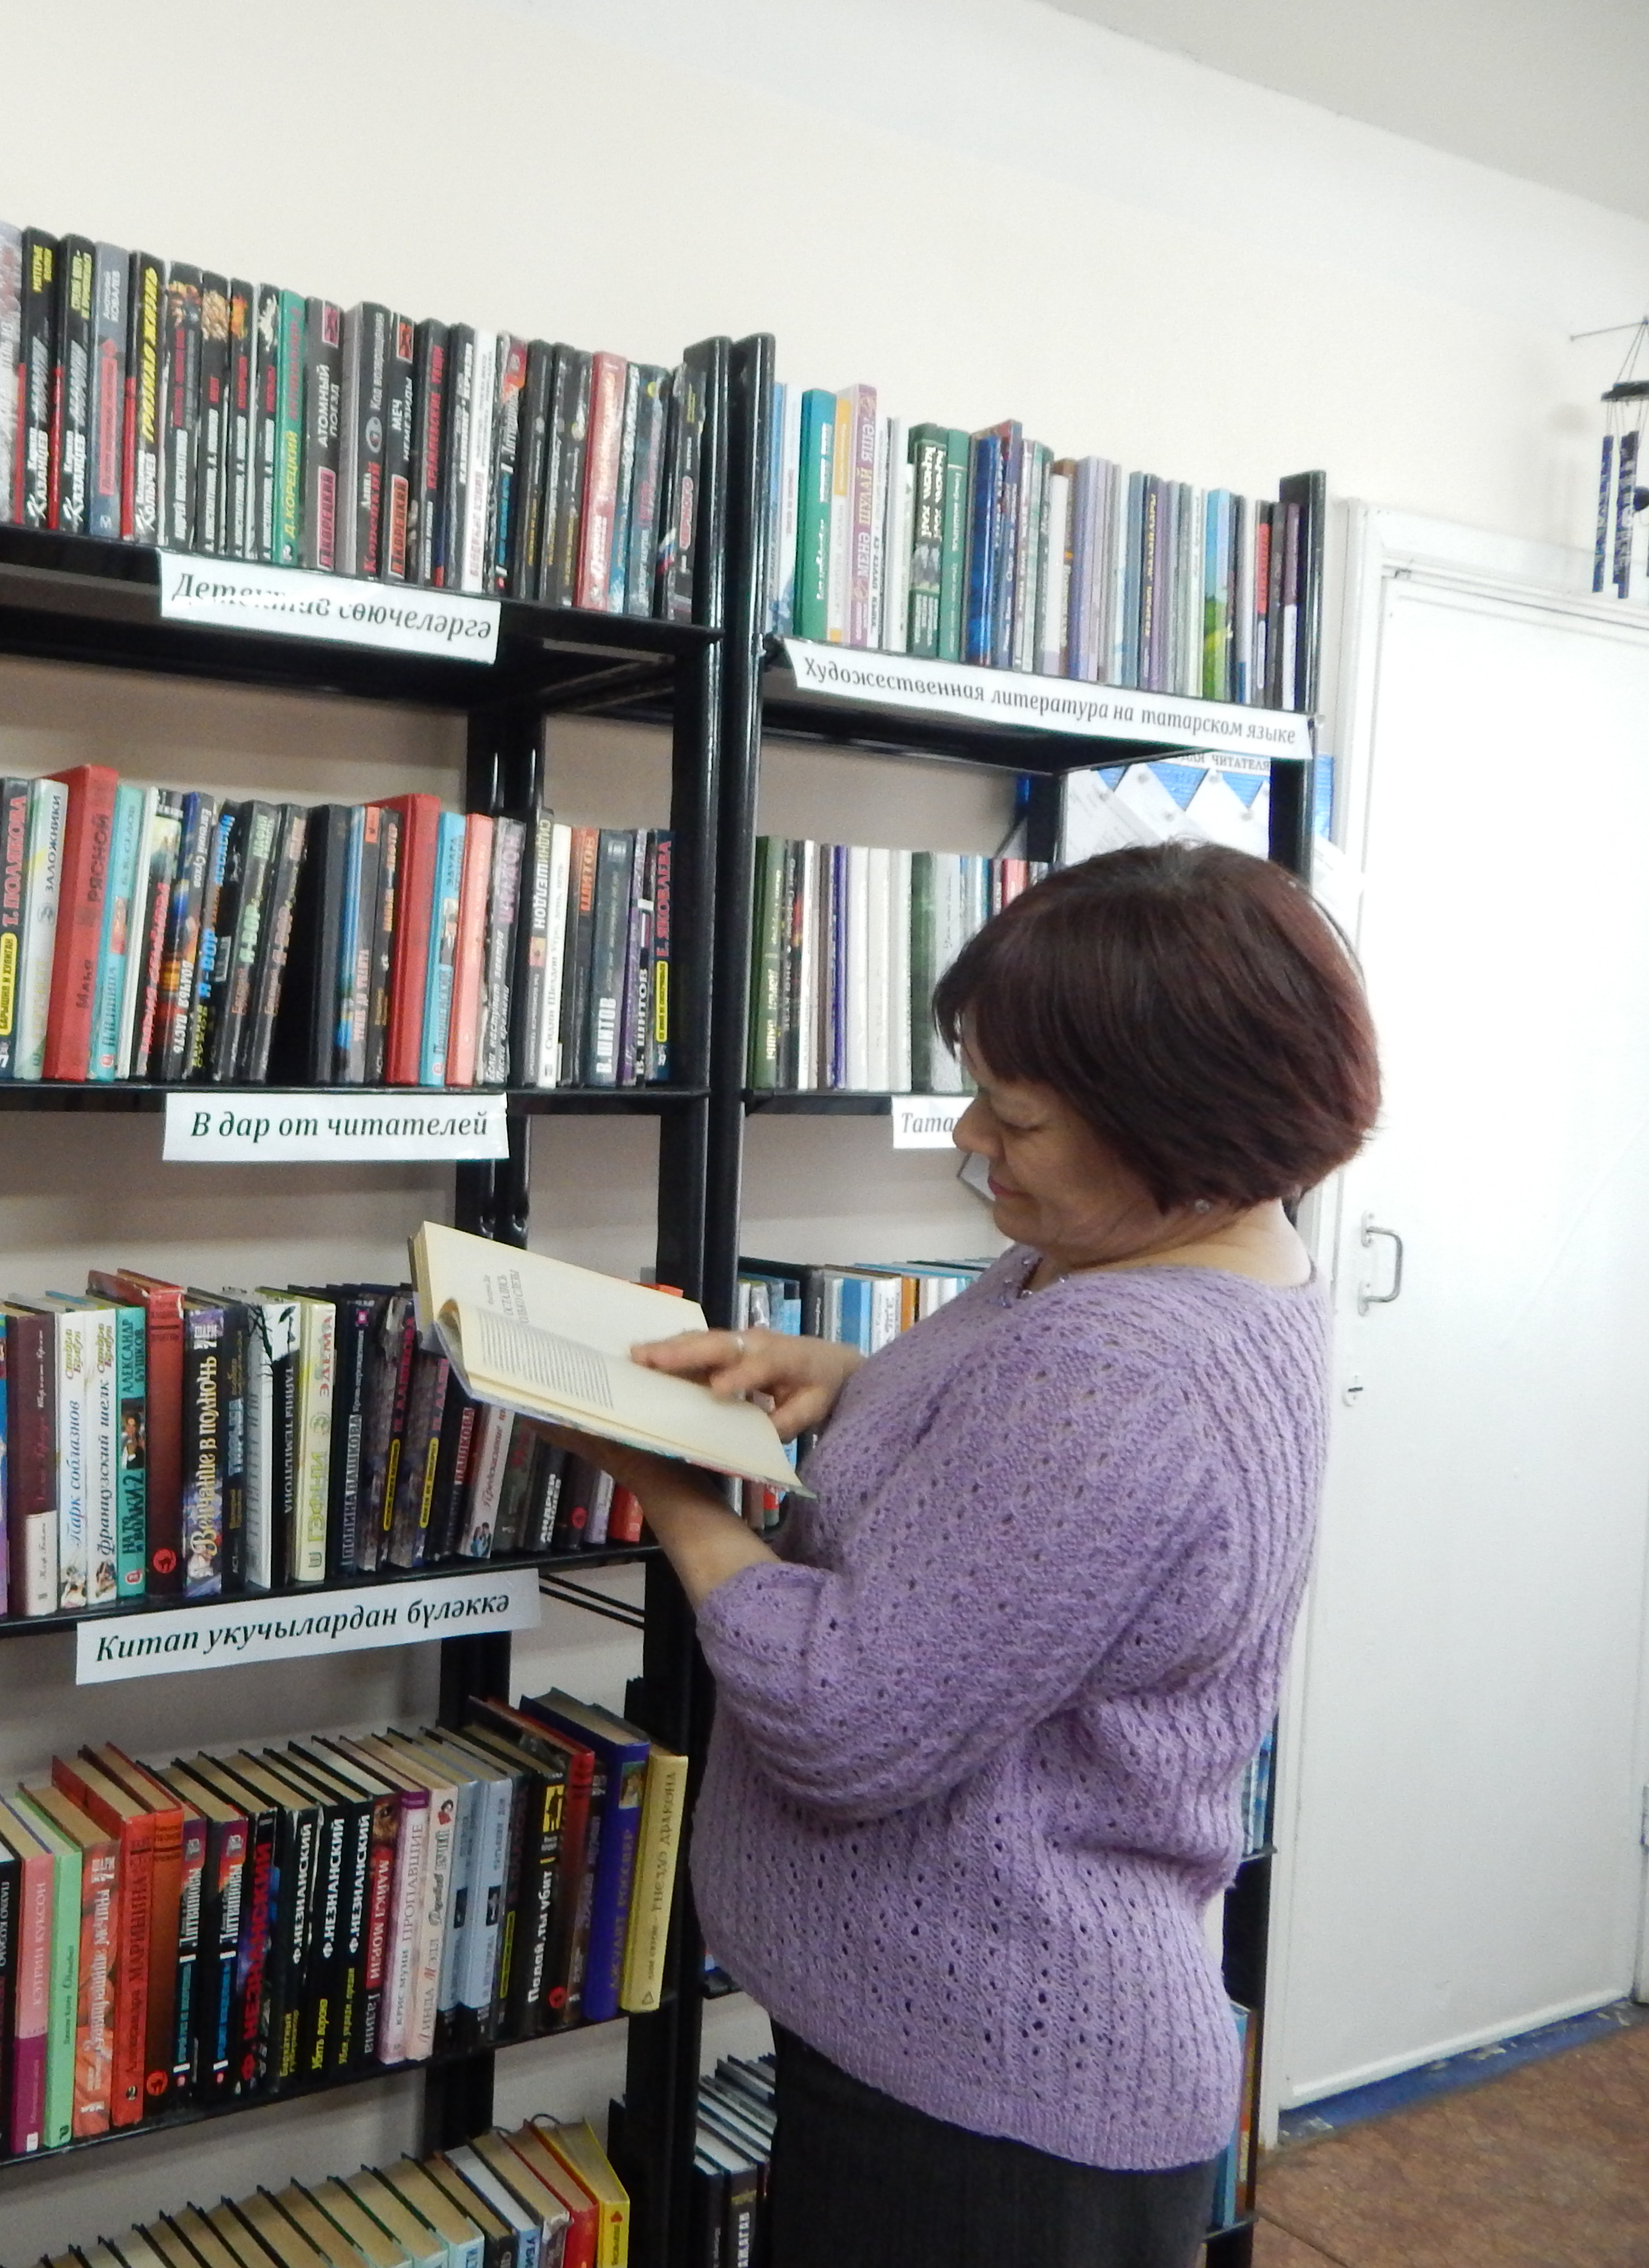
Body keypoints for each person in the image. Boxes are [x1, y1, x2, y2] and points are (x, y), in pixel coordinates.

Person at [566, 843, 1378, 2268]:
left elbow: (848, 1718)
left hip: (991, 2101)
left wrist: (671, 1494)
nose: (970, 1135)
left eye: (1019, 1115)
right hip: (952, 2047)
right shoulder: (1160, 1255)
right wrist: (843, 1381)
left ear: (1177, 1128)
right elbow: (1030, 1528)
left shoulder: (1123, 1366)